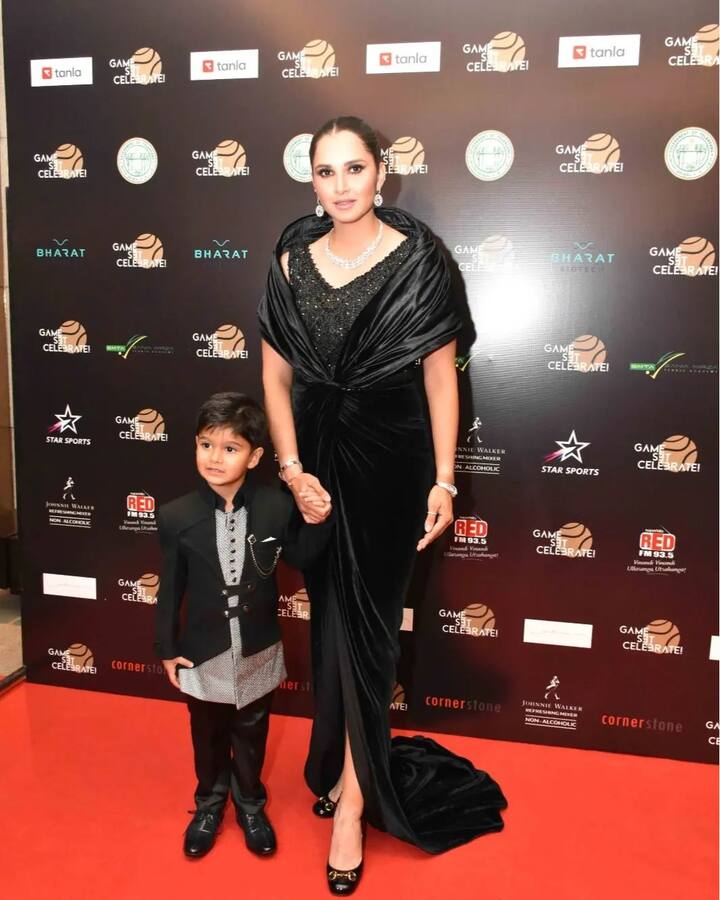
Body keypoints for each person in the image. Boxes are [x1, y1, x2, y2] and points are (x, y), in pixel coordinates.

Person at [259, 116, 506, 894]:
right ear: (311, 179)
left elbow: (441, 378)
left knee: (369, 632)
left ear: (381, 171)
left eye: (354, 168)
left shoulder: (419, 260)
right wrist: (291, 469)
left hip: (394, 466)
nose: (341, 185)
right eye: (325, 171)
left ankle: (353, 805)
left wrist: (444, 479)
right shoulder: (291, 259)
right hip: (314, 464)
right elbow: (274, 377)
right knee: (333, 623)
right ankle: (339, 760)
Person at [154, 392, 333, 860]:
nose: (215, 458)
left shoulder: (276, 506)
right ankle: (209, 806)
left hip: (257, 647)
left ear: (254, 457)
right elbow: (170, 589)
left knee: (252, 734)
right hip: (203, 651)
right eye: (205, 445)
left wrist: (320, 521)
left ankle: (251, 805)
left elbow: (302, 557)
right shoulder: (175, 515)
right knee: (207, 735)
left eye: (230, 448)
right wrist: (167, 648)